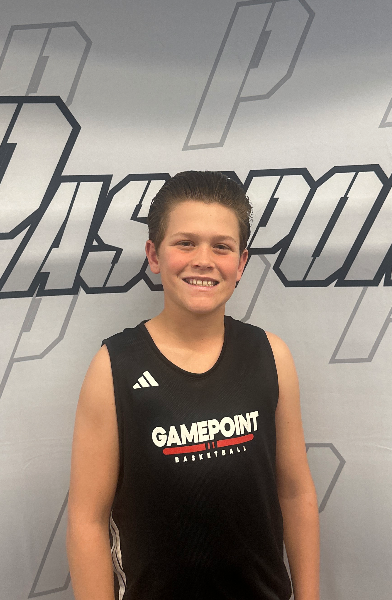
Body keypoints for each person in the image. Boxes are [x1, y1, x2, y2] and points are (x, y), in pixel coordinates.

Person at [66, 171, 320, 600]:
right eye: (185, 243)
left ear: (241, 263)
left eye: (222, 246)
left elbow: (296, 494)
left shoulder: (271, 355)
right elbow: (86, 520)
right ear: (154, 254)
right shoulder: (114, 365)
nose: (203, 259)